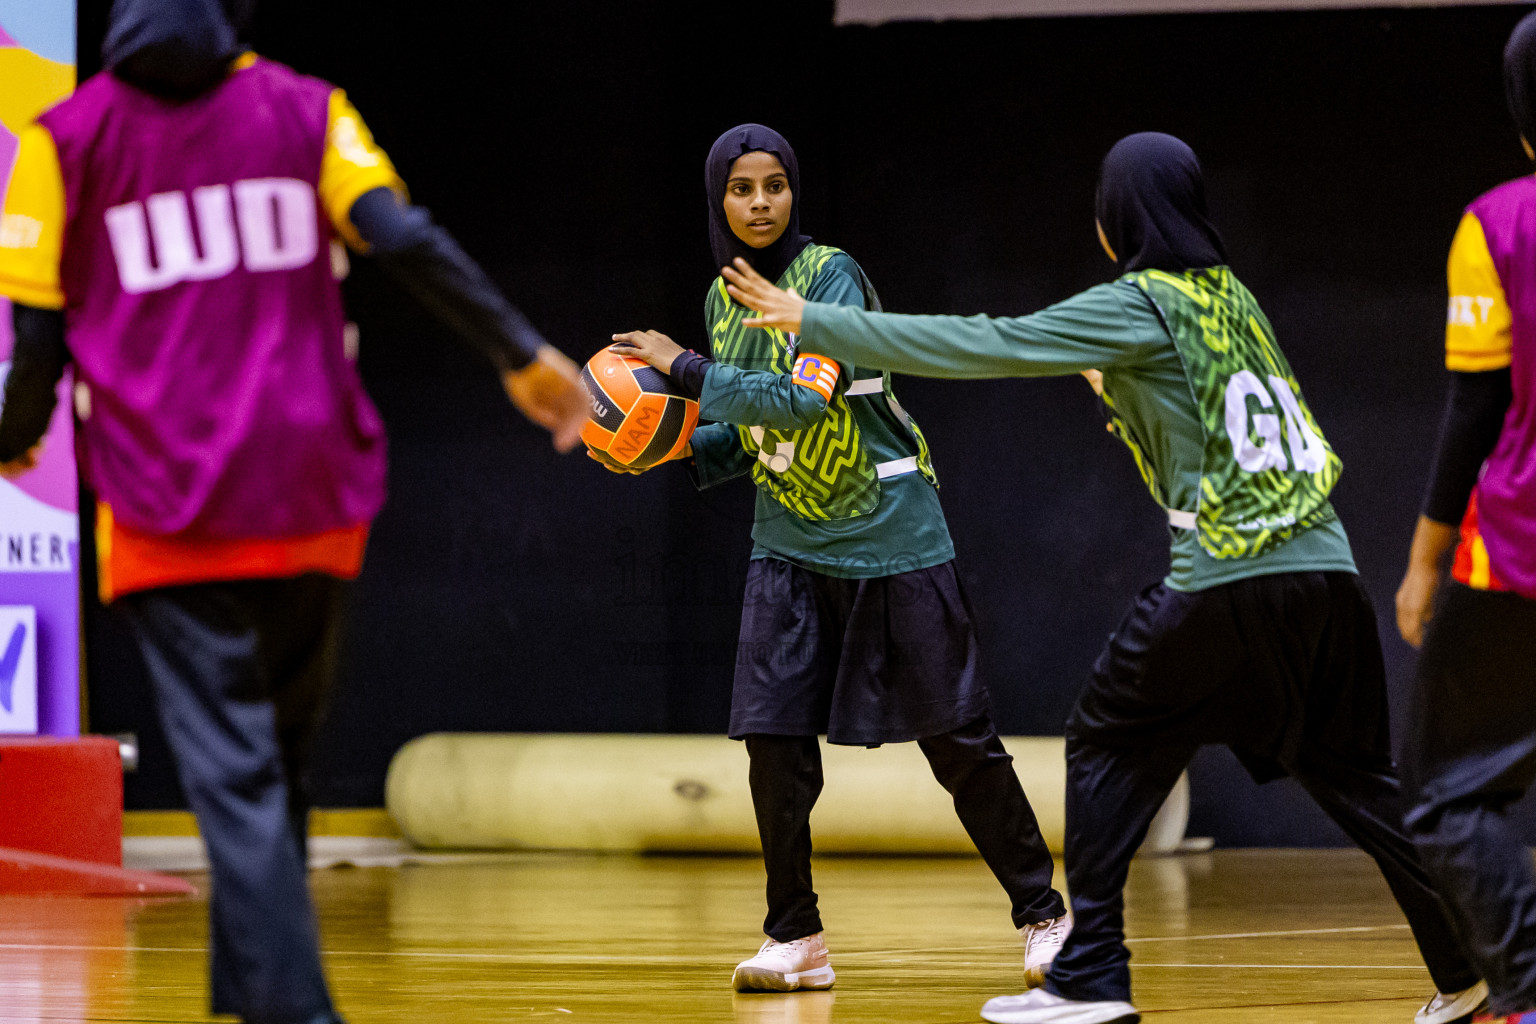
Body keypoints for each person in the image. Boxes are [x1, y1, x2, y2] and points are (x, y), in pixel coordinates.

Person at [721, 131, 1485, 1024]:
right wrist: (1111, 390)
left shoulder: (1138, 302)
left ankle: (1089, 973)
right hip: (1329, 574)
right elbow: (1202, 421)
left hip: (1229, 575)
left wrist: (816, 321)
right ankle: (1466, 963)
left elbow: (986, 342)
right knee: (1354, 779)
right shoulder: (1232, 298)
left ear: (1116, 217)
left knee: (1103, 741)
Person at [0, 1, 587, 1022]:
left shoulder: (63, 138)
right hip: (310, 493)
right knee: (276, 764)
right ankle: (247, 993)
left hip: (166, 510)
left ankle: (294, 1011)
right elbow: (405, 238)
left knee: (236, 777)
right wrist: (519, 354)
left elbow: (37, 337)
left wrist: (12, 437)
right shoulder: (307, 111)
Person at [603, 123, 1070, 994]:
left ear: (794, 192)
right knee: (772, 742)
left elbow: (805, 403)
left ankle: (1046, 918)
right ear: (718, 199)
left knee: (958, 742)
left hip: (891, 532)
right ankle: (796, 938)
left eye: (773, 185)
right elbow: (750, 432)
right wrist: (664, 446)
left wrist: (688, 370)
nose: (758, 203)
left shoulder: (831, 277)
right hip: (787, 544)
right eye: (740, 189)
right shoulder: (719, 297)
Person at [1395, 12, 1536, 1023]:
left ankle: (1528, 991)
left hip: (1519, 558)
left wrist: (1422, 560)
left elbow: (1476, 405)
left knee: (1447, 790)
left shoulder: (1498, 224)